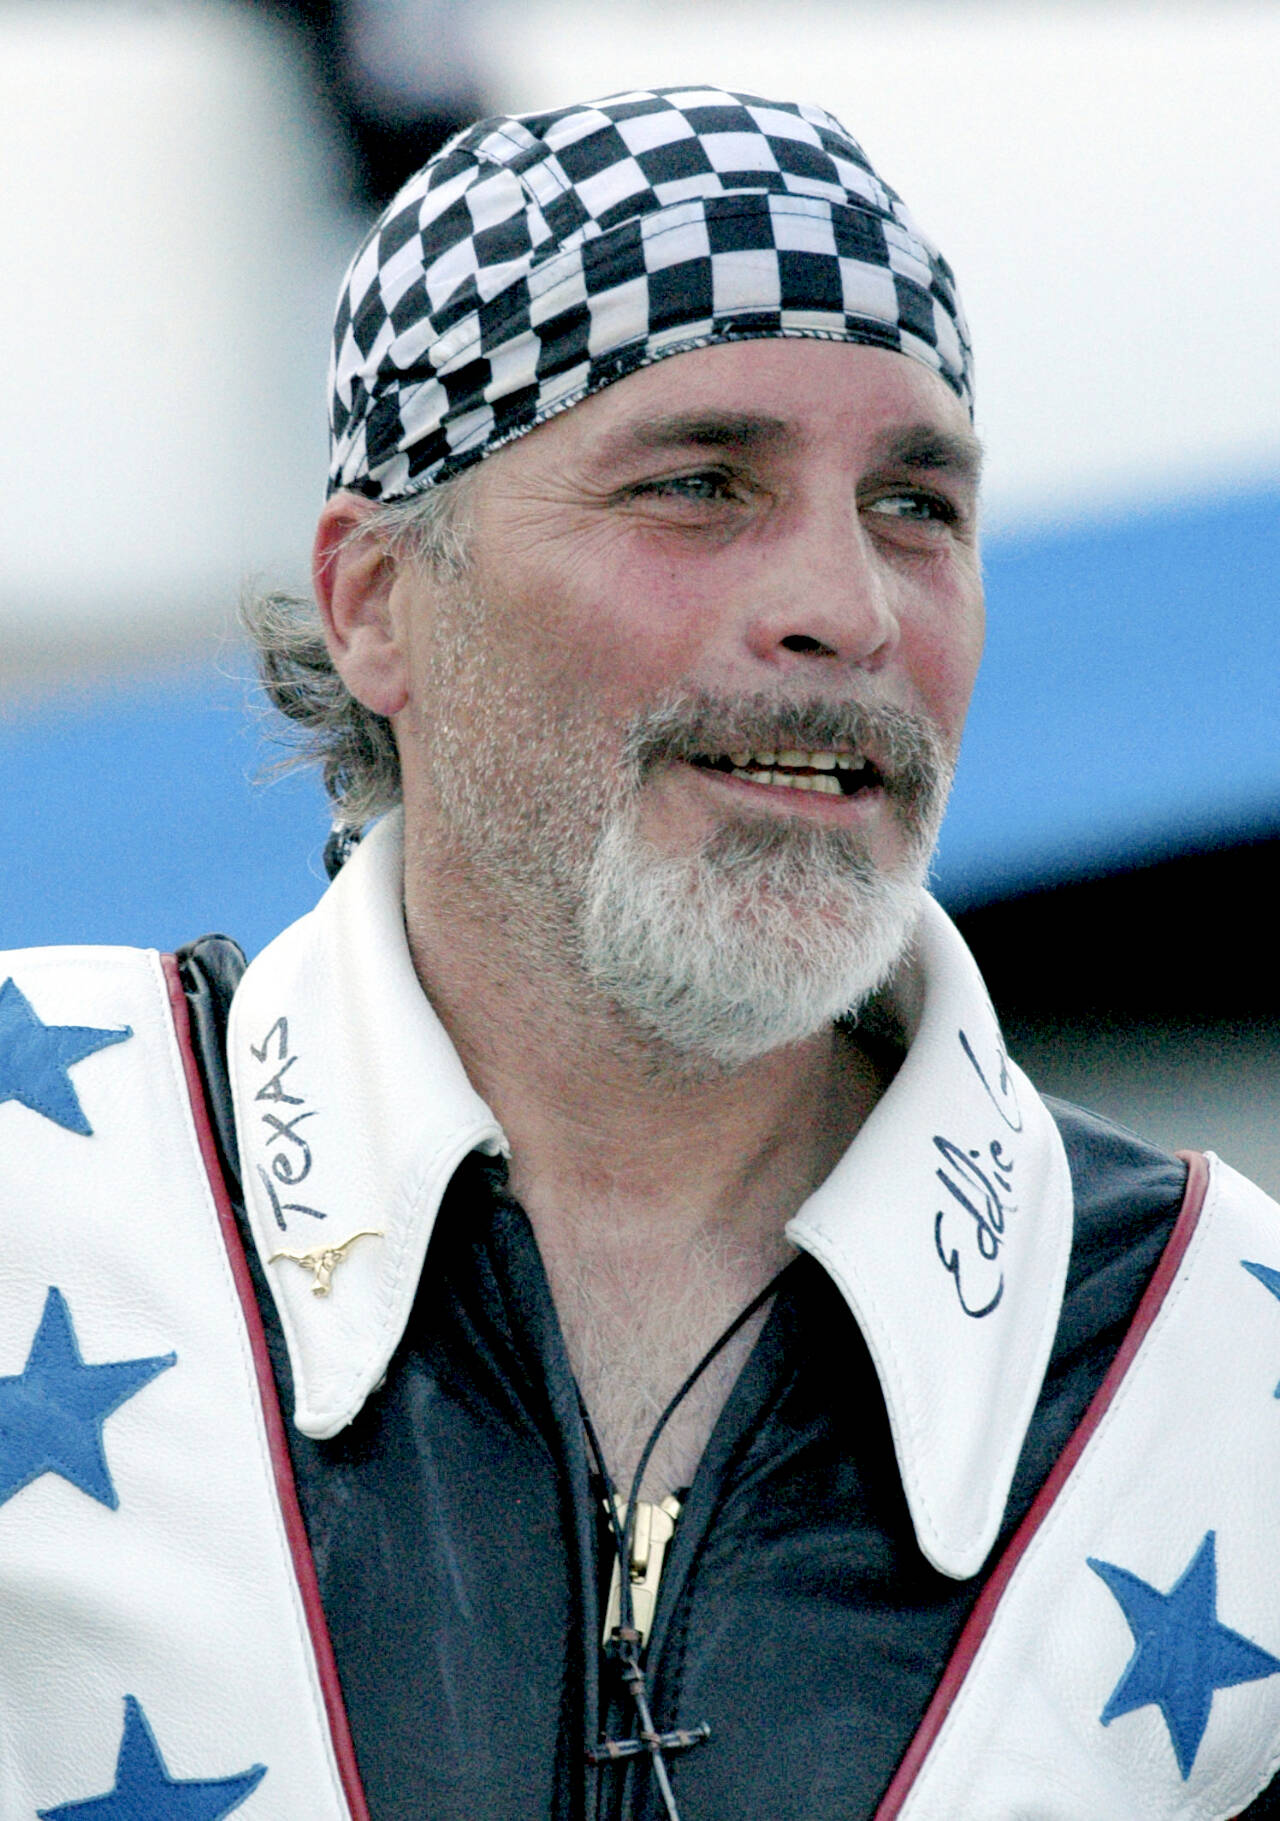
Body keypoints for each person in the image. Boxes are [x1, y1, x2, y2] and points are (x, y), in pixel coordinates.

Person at [4, 85, 1280, 1821]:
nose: (849, 603)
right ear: (381, 602)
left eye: (917, 505)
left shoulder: (1220, 1365)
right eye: (699, 485)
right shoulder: (46, 1190)